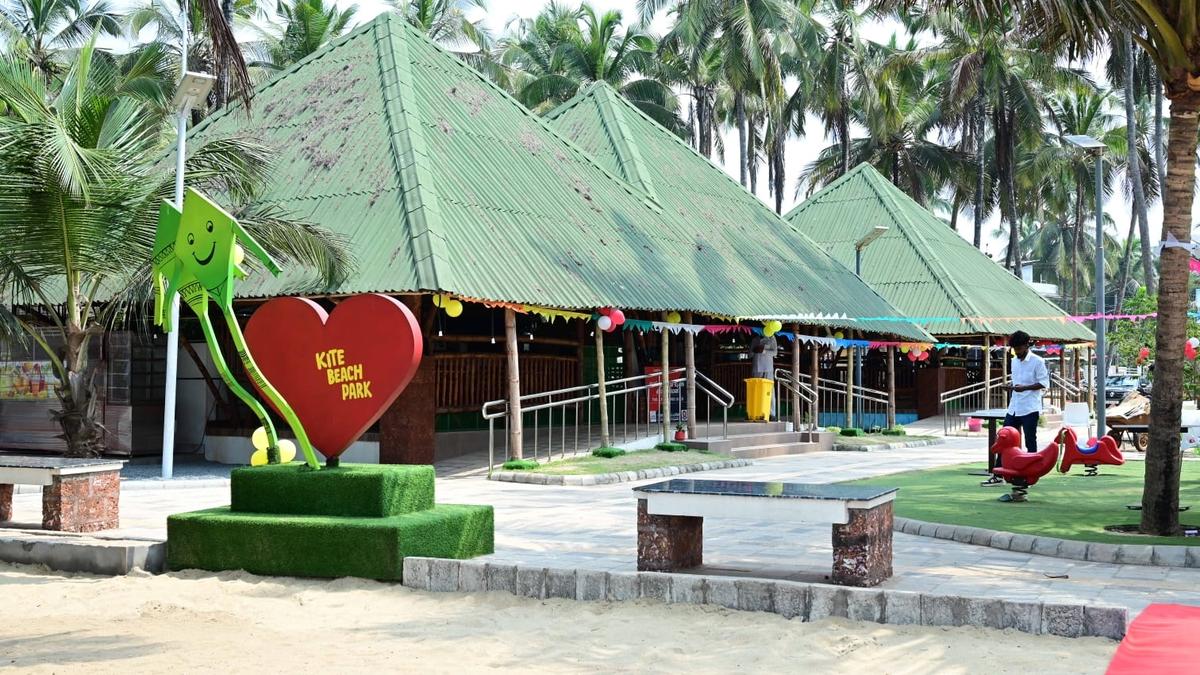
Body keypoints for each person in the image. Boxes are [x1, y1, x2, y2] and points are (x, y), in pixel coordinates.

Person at [983, 330, 1049, 488]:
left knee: (1030, 441)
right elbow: (1017, 382)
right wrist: (1011, 387)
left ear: (1026, 345)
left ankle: (1031, 474)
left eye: (1019, 349)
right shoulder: (1014, 361)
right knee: (1004, 440)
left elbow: (1044, 383)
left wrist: (1024, 388)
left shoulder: (1037, 361)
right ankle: (998, 475)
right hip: (1014, 407)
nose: (1017, 352)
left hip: (1029, 407)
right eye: (1014, 349)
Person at [751, 334, 779, 419]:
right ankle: (757, 412)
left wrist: (763, 351)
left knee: (770, 390)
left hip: (768, 368)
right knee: (757, 391)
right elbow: (750, 354)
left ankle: (772, 413)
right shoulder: (755, 339)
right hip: (757, 368)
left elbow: (775, 352)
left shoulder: (772, 338)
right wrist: (755, 350)